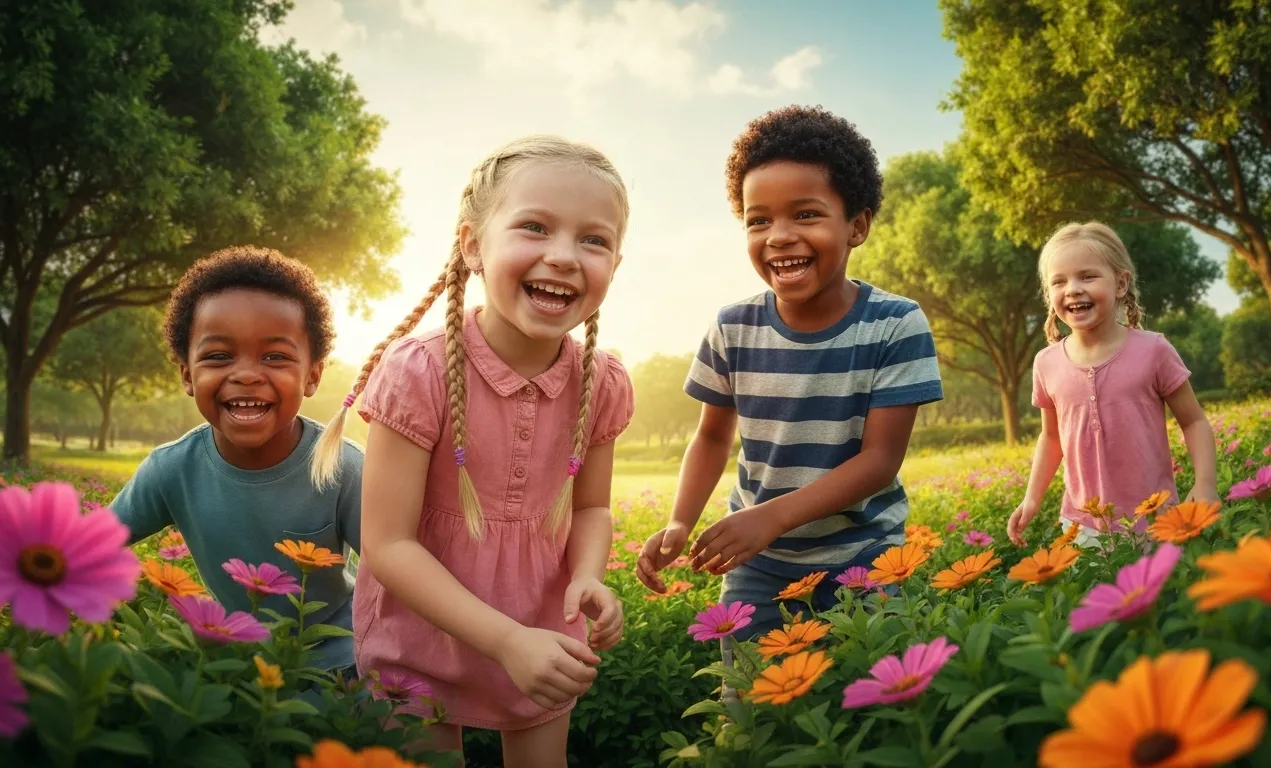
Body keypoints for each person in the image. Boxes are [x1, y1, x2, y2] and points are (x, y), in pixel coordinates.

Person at [312, 136, 633, 768]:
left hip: (541, 627)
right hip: (418, 634)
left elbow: (591, 508)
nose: (564, 256)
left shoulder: (603, 383)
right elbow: (389, 544)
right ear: (472, 247)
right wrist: (504, 640)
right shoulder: (419, 372)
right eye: (535, 227)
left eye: (593, 240)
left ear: (615, 265)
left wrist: (589, 576)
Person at [635, 105, 943, 639]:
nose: (778, 235)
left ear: (857, 226)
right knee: (749, 703)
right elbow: (711, 436)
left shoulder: (896, 324)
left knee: (870, 696)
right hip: (760, 563)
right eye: (759, 220)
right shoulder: (733, 328)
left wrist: (771, 516)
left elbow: (879, 461)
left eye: (805, 215)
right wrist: (681, 521)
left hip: (863, 554)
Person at [112, 246, 363, 673]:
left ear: (313, 375)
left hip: (345, 661)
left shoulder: (342, 467)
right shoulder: (170, 470)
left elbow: (399, 572)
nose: (246, 373)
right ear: (187, 374)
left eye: (275, 357)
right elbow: (85, 546)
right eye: (218, 355)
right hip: (235, 660)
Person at [1006, 221, 1219, 548]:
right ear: (1049, 295)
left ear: (1121, 284)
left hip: (1156, 520)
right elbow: (1051, 437)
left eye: (1087, 276)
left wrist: (1205, 482)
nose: (1073, 289)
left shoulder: (1154, 351)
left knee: (1161, 598)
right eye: (1059, 281)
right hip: (1081, 528)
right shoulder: (1046, 363)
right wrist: (1032, 499)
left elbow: (1194, 422)